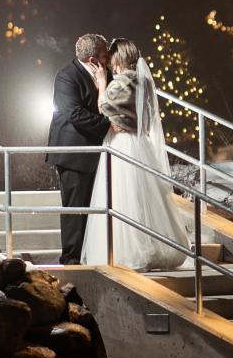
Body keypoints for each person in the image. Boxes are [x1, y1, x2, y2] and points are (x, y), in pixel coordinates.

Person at [81, 38, 190, 270]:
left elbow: (104, 107)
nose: (108, 63)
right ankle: (152, 242)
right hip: (139, 143)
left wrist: (101, 83)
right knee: (142, 196)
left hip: (122, 143)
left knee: (123, 195)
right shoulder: (142, 81)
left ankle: (128, 249)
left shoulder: (123, 82)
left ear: (119, 58)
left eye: (111, 58)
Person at [45, 33, 113, 264]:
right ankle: (71, 257)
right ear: (94, 59)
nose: (109, 58)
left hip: (97, 152)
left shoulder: (106, 74)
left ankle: (92, 253)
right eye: (105, 54)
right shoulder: (66, 76)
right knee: (75, 206)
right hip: (73, 152)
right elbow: (74, 113)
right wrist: (109, 126)